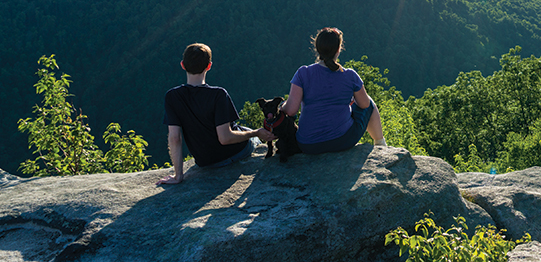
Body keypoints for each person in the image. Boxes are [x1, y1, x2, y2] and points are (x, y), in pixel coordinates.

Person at [156, 43, 274, 185]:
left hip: (205, 161)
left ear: (183, 65)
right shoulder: (218, 95)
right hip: (233, 153)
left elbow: (174, 138)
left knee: (244, 130)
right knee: (250, 134)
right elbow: (224, 138)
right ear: (209, 66)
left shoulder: (172, 97)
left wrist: (178, 176)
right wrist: (255, 133)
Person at [280, 27, 387, 154]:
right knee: (369, 101)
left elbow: (291, 110)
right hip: (342, 141)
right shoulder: (350, 76)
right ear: (338, 49)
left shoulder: (303, 73)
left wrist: (282, 106)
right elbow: (364, 105)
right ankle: (380, 145)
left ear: (317, 48)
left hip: (307, 144)